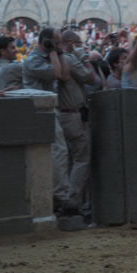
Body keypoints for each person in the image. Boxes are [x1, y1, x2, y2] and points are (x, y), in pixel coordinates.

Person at [23, 27, 73, 214]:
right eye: (57, 42)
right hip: (38, 111)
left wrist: (58, 52)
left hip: (50, 109)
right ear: (46, 42)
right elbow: (58, 74)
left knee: (58, 152)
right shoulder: (33, 61)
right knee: (58, 151)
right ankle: (60, 195)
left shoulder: (51, 56)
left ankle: (58, 194)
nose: (61, 46)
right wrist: (54, 51)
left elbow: (65, 75)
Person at [58, 30, 97, 213]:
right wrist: (85, 59)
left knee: (70, 160)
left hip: (63, 114)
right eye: (79, 43)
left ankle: (67, 198)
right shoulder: (69, 58)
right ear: (72, 43)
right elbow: (91, 79)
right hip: (73, 114)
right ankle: (71, 201)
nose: (81, 47)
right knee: (81, 158)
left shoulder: (57, 58)